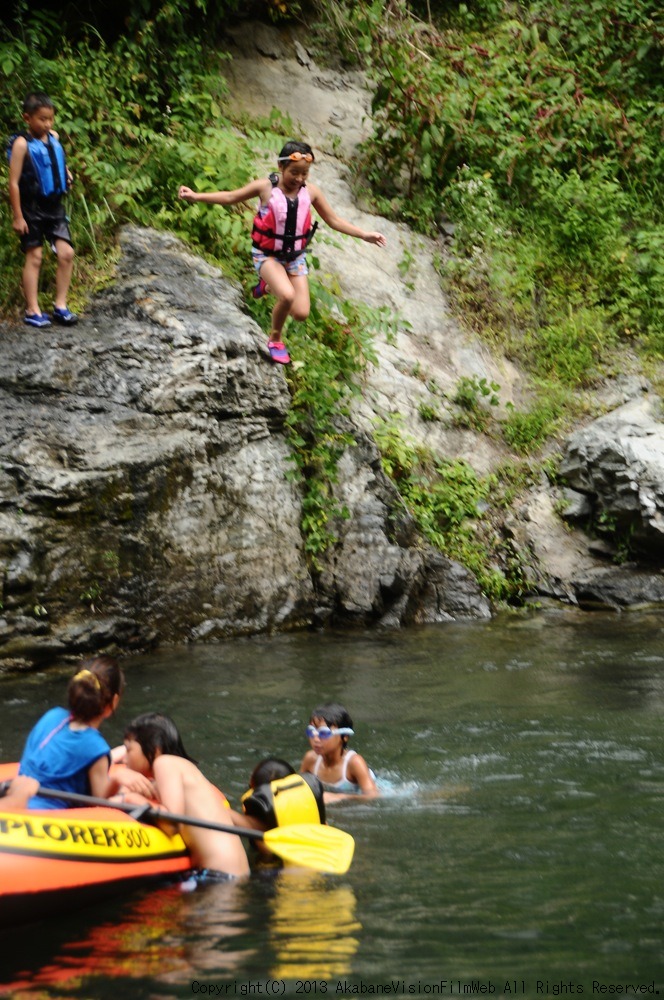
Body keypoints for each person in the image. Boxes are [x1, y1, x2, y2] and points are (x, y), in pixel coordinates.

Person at [178, 139, 386, 365]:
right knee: (287, 295)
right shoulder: (265, 188)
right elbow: (230, 197)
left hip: (295, 259)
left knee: (301, 313)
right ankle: (275, 339)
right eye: (294, 172)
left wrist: (364, 234)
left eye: (304, 174)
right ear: (281, 167)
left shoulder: (311, 192)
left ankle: (267, 286)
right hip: (267, 255)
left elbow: (334, 220)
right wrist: (196, 196)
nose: (299, 179)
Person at [118, 712, 249, 879]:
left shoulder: (165, 763)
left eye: (129, 749)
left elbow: (173, 824)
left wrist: (131, 799)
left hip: (218, 876)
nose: (124, 757)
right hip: (232, 874)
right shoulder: (180, 769)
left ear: (155, 749)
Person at [17, 655, 147, 809]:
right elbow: (101, 800)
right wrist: (117, 778)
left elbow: (68, 757)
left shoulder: (51, 716)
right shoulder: (95, 747)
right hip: (43, 818)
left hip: (14, 803)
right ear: (114, 701)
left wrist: (113, 754)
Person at [8, 91, 78, 327]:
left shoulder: (54, 137)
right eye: (42, 119)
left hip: (54, 207)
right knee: (35, 256)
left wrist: (66, 174)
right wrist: (18, 217)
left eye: (50, 119)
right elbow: (14, 183)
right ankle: (32, 309)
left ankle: (60, 306)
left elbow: (57, 160)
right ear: (27, 118)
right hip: (32, 209)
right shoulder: (21, 144)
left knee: (66, 253)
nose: (47, 124)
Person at [300, 703, 379, 800]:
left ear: (345, 736)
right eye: (311, 732)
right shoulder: (310, 759)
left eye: (323, 733)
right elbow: (299, 788)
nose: (315, 739)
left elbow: (373, 796)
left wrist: (338, 797)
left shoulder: (354, 763)